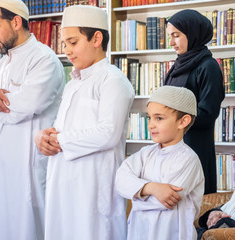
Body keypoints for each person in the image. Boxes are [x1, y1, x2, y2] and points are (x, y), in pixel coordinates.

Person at [35, 5, 134, 240]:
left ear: (96, 38)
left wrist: (59, 139)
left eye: (73, 42)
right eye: (65, 44)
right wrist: (43, 137)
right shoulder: (73, 84)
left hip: (93, 185)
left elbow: (108, 133)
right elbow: (61, 129)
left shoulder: (113, 80)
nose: (67, 51)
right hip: (64, 181)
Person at [0, 0, 64, 239]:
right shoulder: (1, 64)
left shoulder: (45, 59)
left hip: (26, 161)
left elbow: (24, 106)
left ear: (15, 22)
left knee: (27, 227)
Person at [115, 86, 205, 240]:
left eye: (159, 118)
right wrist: (150, 187)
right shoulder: (145, 153)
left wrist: (135, 195)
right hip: (139, 232)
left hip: (172, 234)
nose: (150, 125)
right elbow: (120, 180)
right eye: (149, 117)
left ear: (183, 121)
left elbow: (165, 202)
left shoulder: (188, 159)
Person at [164, 9, 225, 194]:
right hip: (171, 144)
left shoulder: (208, 66)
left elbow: (208, 112)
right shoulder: (177, 65)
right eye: (170, 36)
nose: (171, 42)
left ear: (193, 33)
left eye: (176, 35)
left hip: (195, 145)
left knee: (194, 205)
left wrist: (174, 121)